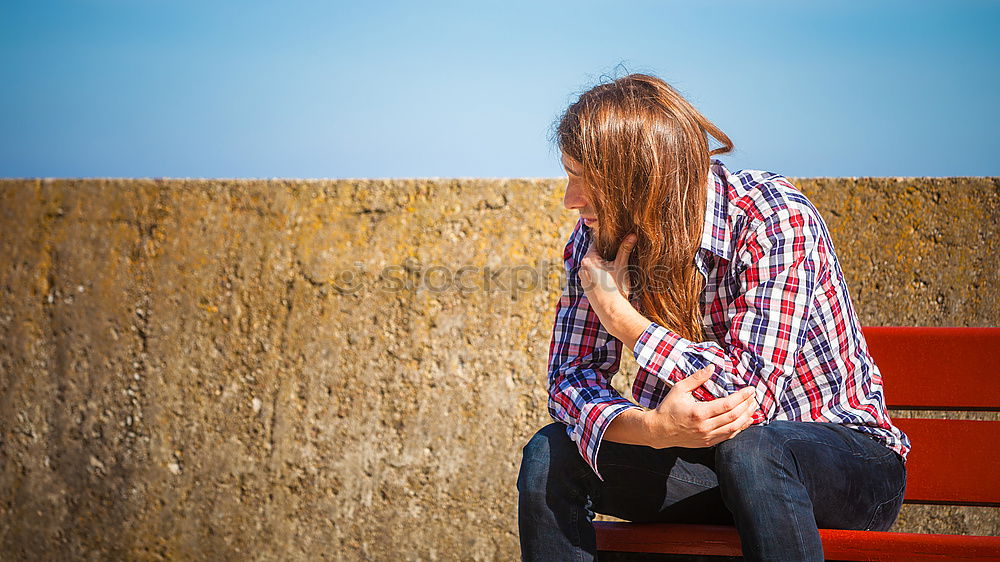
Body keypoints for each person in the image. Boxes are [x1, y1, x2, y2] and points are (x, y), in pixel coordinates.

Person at [517, 73, 909, 562]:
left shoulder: (772, 216)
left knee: (755, 450)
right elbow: (568, 379)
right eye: (568, 174)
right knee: (549, 456)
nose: (571, 200)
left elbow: (747, 399)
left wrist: (626, 322)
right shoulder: (597, 240)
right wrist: (651, 429)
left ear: (643, 178)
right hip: (707, 466)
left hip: (844, 465)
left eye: (584, 179)